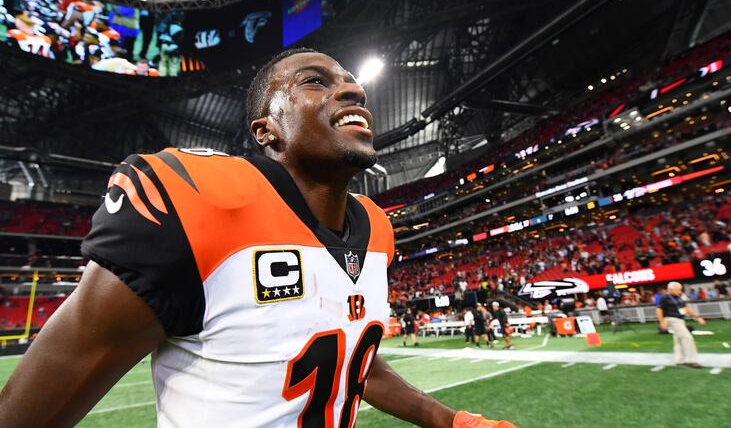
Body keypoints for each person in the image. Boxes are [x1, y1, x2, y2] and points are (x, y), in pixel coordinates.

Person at [0, 49, 514, 428]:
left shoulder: (377, 230)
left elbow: (353, 363)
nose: (353, 91)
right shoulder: (198, 201)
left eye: (352, 83)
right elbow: (58, 378)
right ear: (266, 130)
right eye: (315, 82)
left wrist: (449, 420)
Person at [656, 281, 705, 368]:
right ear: (671, 289)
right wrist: (661, 322)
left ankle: (679, 360)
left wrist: (697, 317)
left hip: (680, 320)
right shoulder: (665, 297)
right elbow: (659, 309)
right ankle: (691, 360)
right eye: (678, 289)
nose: (680, 291)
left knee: (678, 340)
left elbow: (686, 309)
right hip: (671, 319)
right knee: (687, 338)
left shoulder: (678, 297)